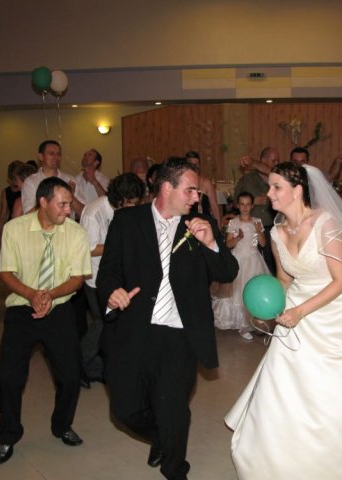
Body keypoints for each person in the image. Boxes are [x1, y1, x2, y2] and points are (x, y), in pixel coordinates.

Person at [225, 162, 342, 479]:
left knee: (334, 391)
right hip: (295, 312)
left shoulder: (325, 223)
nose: (269, 193)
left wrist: (301, 311)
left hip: (334, 312)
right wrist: (270, 306)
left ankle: (338, 455)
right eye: (269, 187)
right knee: (285, 386)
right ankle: (281, 453)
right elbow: (284, 279)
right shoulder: (277, 232)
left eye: (276, 186)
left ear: (297, 190)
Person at [97, 157, 238, 480]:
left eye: (197, 191)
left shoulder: (201, 223)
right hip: (135, 328)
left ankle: (175, 468)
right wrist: (112, 292)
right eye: (190, 190)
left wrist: (210, 243)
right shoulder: (127, 221)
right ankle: (161, 437)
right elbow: (108, 272)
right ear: (166, 188)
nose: (196, 198)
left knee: (173, 409)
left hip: (179, 333)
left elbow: (227, 272)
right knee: (124, 410)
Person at [0, 177, 91, 466]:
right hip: (21, 310)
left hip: (59, 309)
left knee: (71, 375)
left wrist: (49, 295)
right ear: (43, 202)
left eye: (69, 204)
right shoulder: (15, 229)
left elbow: (77, 278)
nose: (68, 210)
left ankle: (62, 425)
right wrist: (32, 294)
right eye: (62, 204)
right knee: (8, 378)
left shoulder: (75, 233)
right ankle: (8, 435)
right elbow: (5, 271)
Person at [78, 173, 145, 387]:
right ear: (120, 198)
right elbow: (88, 248)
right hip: (95, 277)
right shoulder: (94, 213)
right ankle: (77, 364)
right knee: (102, 324)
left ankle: (97, 367)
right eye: (130, 202)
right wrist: (119, 244)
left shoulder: (125, 211)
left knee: (111, 324)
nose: (133, 207)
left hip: (118, 276)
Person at [213, 191, 269, 340]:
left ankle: (252, 322)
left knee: (253, 291)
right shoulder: (234, 222)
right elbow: (228, 244)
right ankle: (242, 325)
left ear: (252, 206)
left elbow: (262, 244)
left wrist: (259, 232)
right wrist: (238, 237)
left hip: (254, 260)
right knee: (238, 291)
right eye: (242, 204)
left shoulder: (257, 221)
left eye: (248, 204)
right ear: (238, 205)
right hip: (238, 259)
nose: (245, 207)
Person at [234, 147, 279, 274]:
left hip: (271, 227)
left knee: (272, 260)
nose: (276, 164)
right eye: (273, 161)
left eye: (278, 161)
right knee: (253, 260)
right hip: (251, 227)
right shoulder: (247, 179)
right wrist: (253, 201)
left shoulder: (276, 180)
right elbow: (235, 203)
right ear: (263, 160)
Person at [21, 140, 83, 216]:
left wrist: (71, 195)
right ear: (41, 157)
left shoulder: (69, 179)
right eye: (51, 153)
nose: (56, 157)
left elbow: (83, 213)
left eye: (58, 154)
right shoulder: (31, 182)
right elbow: (28, 215)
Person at [184, 150, 222, 225]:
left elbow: (214, 208)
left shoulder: (207, 184)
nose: (194, 167)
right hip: (186, 222)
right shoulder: (182, 183)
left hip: (204, 222)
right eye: (191, 164)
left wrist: (218, 227)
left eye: (196, 164)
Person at [0, 160, 24, 245]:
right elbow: (3, 215)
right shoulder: (6, 192)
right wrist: (0, 236)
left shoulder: (27, 189)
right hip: (13, 224)